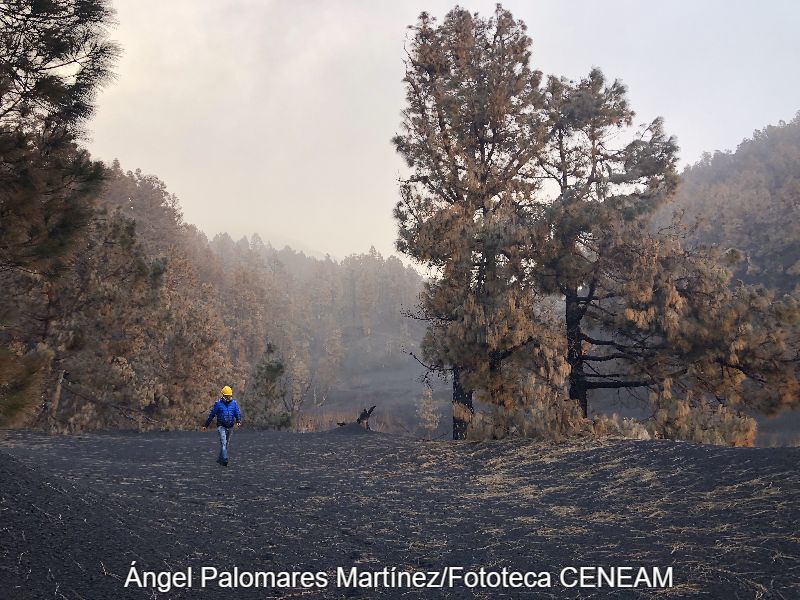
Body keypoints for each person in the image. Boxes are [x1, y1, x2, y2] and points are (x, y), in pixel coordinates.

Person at [202, 386, 242, 466]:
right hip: (221, 427)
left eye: (229, 396)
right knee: (223, 443)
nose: (228, 398)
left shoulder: (234, 403)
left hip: (230, 426)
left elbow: (237, 412)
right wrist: (206, 425)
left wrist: (238, 420)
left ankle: (220, 460)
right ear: (223, 395)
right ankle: (225, 459)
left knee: (226, 444)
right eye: (226, 396)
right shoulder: (218, 404)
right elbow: (211, 415)